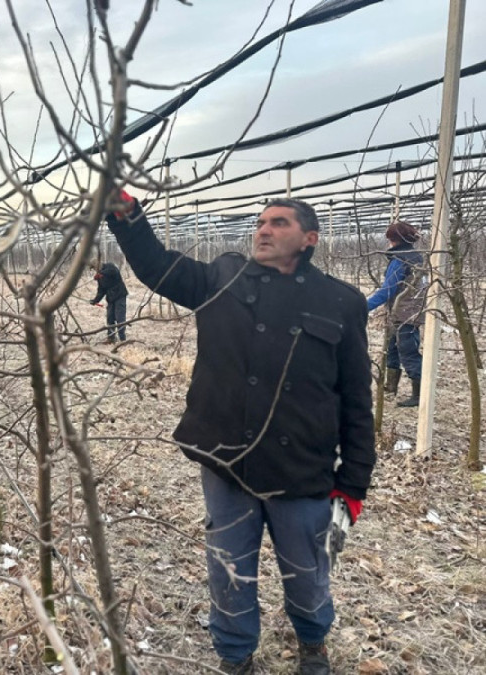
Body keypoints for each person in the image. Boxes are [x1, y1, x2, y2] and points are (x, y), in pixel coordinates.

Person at [105, 193, 376, 675]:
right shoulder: (221, 279)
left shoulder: (341, 302)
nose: (263, 230)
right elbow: (157, 266)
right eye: (260, 222)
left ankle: (313, 642)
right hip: (229, 464)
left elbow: (357, 400)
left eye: (279, 223)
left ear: (309, 239)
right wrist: (127, 216)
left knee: (308, 575)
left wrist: (352, 485)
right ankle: (236, 656)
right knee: (229, 571)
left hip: (302, 471)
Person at [366, 221, 426, 407]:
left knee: (408, 351)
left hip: (405, 313)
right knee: (392, 347)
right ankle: (390, 387)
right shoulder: (417, 257)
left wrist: (363, 306)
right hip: (412, 310)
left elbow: (388, 290)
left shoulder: (400, 260)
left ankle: (419, 395)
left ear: (393, 239)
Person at [91, 261, 129, 342]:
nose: (95, 269)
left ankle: (123, 339)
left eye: (94, 267)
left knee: (120, 318)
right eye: (94, 268)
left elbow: (113, 271)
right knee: (110, 318)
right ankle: (111, 338)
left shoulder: (109, 266)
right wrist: (95, 300)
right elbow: (101, 291)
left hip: (120, 295)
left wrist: (101, 274)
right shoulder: (99, 277)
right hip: (111, 298)